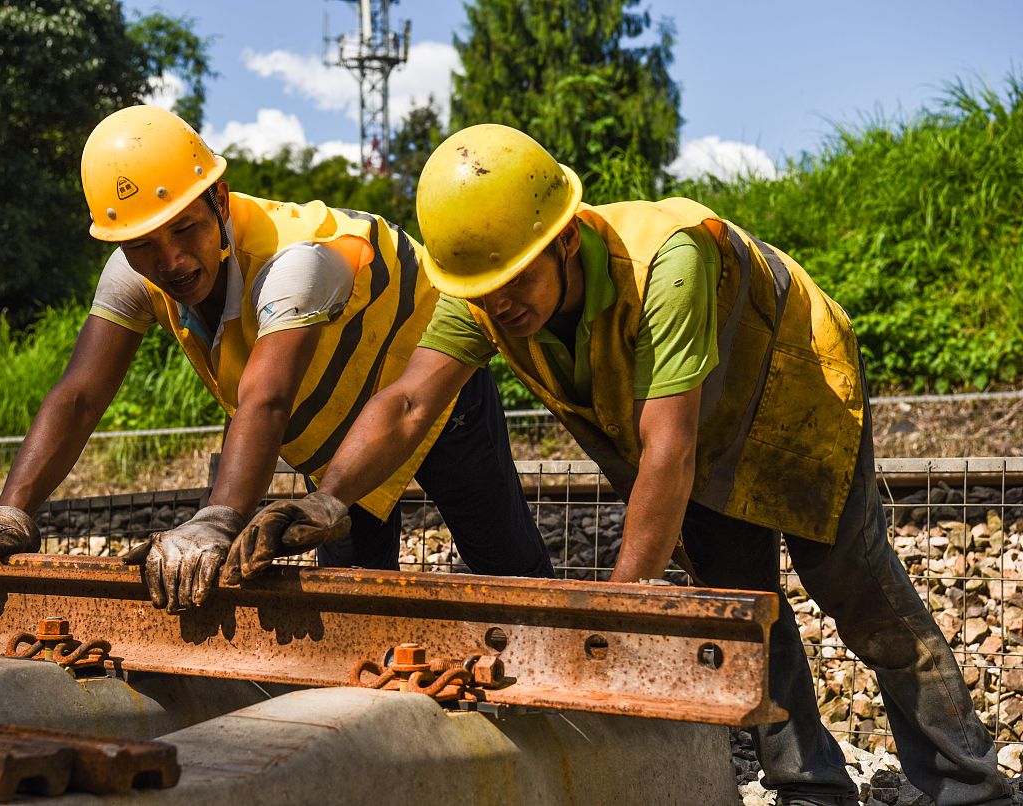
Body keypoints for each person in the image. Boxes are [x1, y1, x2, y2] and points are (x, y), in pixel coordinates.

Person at [232, 124, 1012, 806]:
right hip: (684, 422)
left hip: (788, 382)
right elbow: (407, 401)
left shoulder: (666, 265)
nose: (501, 306)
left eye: (515, 282)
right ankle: (810, 786)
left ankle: (969, 785)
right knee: (740, 608)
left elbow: (668, 448)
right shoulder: (479, 292)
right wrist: (329, 501)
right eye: (485, 291)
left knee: (860, 592)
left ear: (564, 238)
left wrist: (619, 608)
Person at [0, 107, 551, 612]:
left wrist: (216, 523)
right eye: (143, 245)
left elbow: (266, 398)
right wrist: (11, 509)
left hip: (432, 396)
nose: (170, 260)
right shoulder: (134, 271)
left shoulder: (297, 263)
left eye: (185, 230)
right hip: (331, 433)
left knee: (506, 565)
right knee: (353, 596)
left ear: (219, 202)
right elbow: (79, 394)